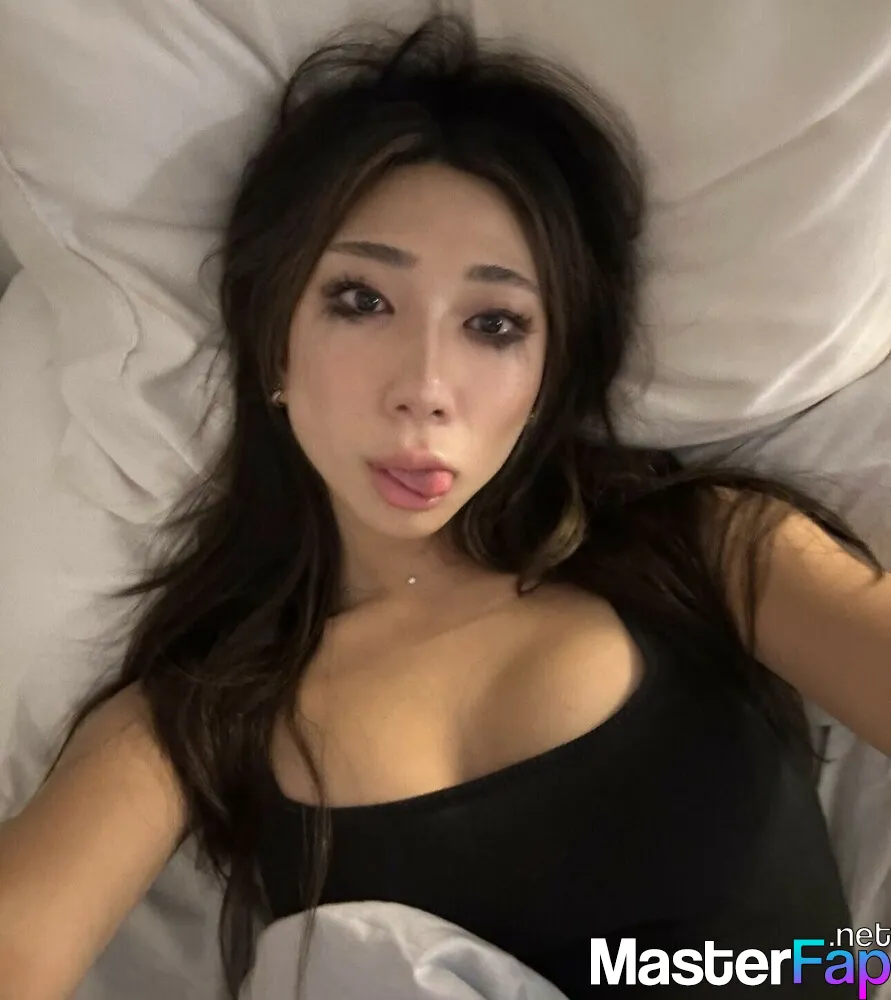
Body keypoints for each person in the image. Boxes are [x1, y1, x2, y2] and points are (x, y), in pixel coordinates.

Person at [0, 13, 889, 1000]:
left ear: (550, 375)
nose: (424, 387)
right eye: (361, 301)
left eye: (494, 323)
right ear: (273, 339)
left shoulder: (712, 551)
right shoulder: (199, 711)